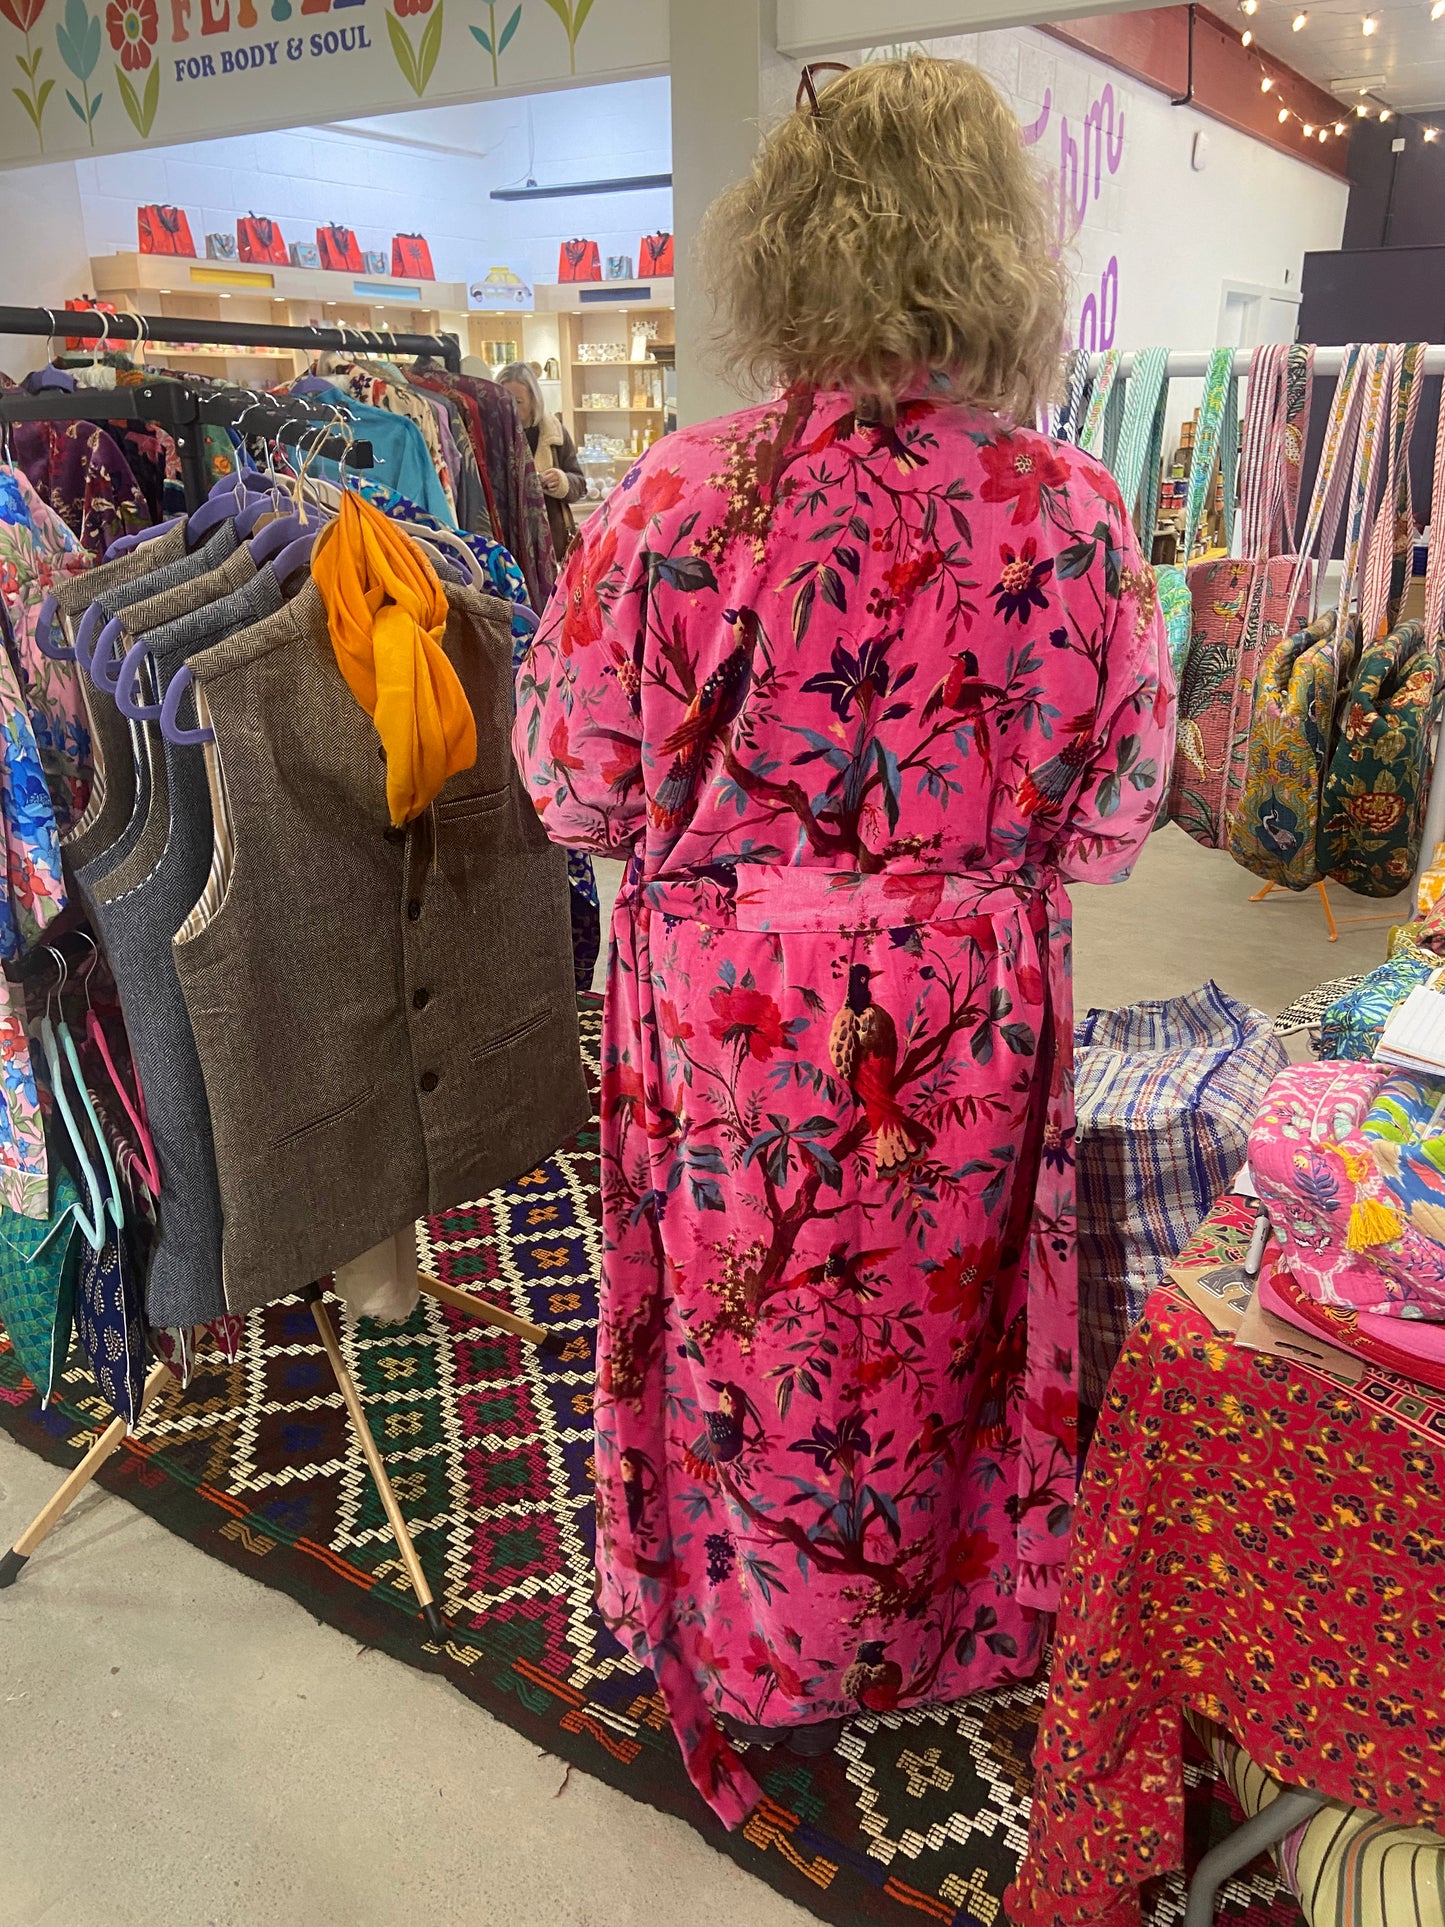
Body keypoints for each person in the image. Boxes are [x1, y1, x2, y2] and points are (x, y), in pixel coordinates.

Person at [513, 56, 1174, 1826]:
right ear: (997, 245)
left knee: (754, 1327)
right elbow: (1117, 815)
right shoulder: (1075, 516)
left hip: (732, 1014)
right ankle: (955, 1629)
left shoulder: (676, 502)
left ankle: (758, 1644)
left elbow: (570, 788)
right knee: (941, 1326)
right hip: (967, 1014)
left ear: (783, 239)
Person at [498, 361, 585, 564]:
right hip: (508, 540)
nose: (510, 407)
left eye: (518, 401)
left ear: (533, 400)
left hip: (550, 541)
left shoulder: (554, 434)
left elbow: (580, 484)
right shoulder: (492, 437)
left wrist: (561, 481)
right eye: (504, 400)